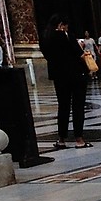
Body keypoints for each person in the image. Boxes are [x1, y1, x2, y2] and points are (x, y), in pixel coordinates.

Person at [39, 19, 91, 147]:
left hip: (59, 77)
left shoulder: (45, 38)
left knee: (63, 106)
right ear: (61, 25)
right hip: (75, 75)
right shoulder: (67, 36)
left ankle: (61, 139)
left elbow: (48, 56)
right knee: (77, 106)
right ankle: (79, 139)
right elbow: (78, 53)